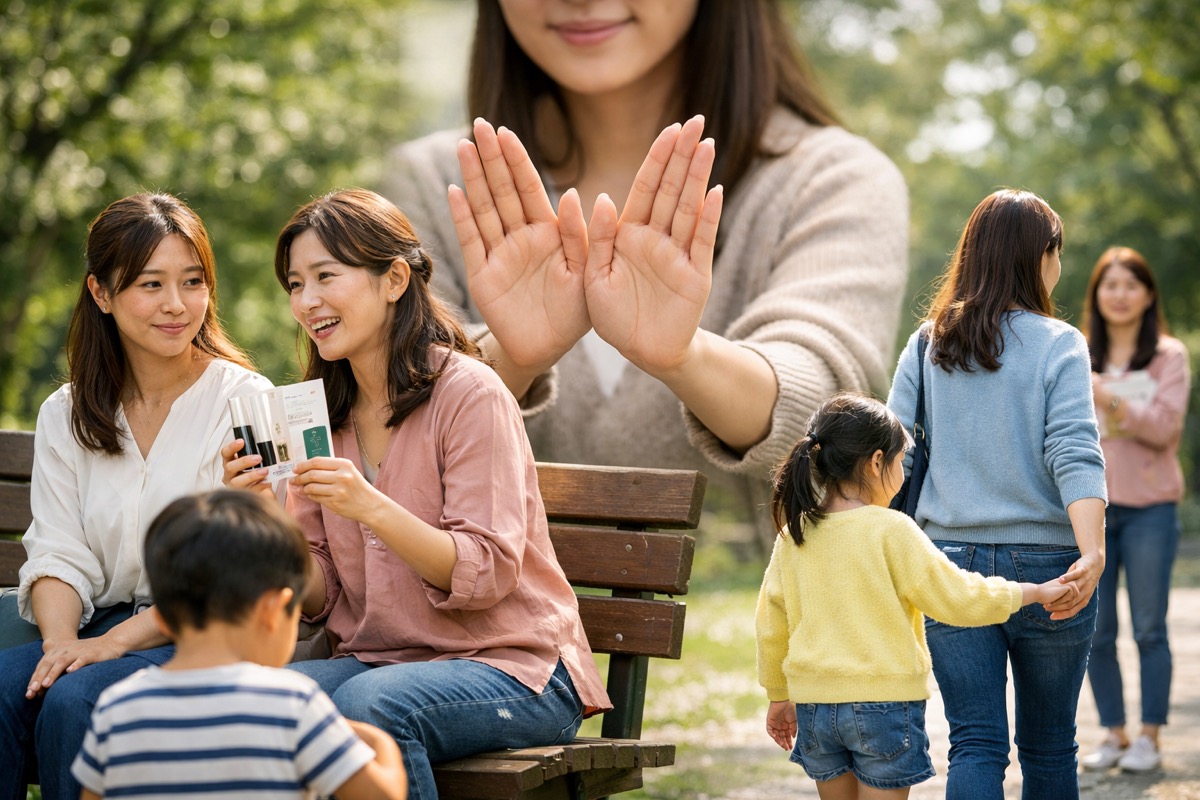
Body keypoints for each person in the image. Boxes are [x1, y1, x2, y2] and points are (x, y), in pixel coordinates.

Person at [382, 0, 909, 543]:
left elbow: (827, 405)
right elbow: (383, 417)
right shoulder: (424, 183)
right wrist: (512, 357)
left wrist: (686, 357)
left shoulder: (834, 179)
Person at [222, 188, 610, 799]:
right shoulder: (321, 416)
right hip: (382, 664)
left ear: (395, 278)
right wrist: (267, 519)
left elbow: (488, 571)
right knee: (249, 707)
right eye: (295, 284)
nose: (307, 301)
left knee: (368, 706)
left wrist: (368, 504)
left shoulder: (469, 394)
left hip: (516, 669)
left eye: (326, 276)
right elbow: (319, 594)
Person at [0, 193, 273, 799]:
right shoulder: (66, 412)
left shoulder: (247, 403)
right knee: (6, 686)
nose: (177, 306)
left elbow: (240, 574)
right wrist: (62, 645)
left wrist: (106, 648)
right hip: (96, 624)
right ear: (101, 294)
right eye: (151, 284)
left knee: (77, 700)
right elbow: (57, 552)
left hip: (204, 632)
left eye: (193, 281)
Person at [886, 189, 1108, 798]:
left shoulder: (930, 344)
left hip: (950, 568)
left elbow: (890, 454)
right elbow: (1075, 451)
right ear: (1041, 255)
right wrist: (1092, 552)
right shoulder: (1060, 343)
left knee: (976, 744)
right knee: (1050, 746)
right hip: (1053, 567)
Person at [756, 392, 1074, 798]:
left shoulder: (795, 534)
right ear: (875, 462)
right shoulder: (892, 531)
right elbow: (957, 597)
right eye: (899, 460)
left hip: (815, 707)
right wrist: (1032, 591)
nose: (903, 473)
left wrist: (778, 694)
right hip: (882, 706)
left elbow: (770, 625)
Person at [72, 489, 407, 799]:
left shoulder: (116, 710)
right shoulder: (293, 705)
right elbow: (383, 795)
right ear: (273, 612)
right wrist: (380, 741)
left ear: (162, 615)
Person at [1078, 247, 1191, 773]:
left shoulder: (1168, 356)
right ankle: (1114, 732)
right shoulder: (1077, 354)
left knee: (1149, 627)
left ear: (1148, 294)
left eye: (1130, 284)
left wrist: (1106, 396)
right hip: (1093, 511)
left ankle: (1149, 735)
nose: (1119, 294)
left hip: (1149, 511)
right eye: (1110, 284)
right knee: (1096, 628)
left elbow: (1166, 427)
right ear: (1096, 295)